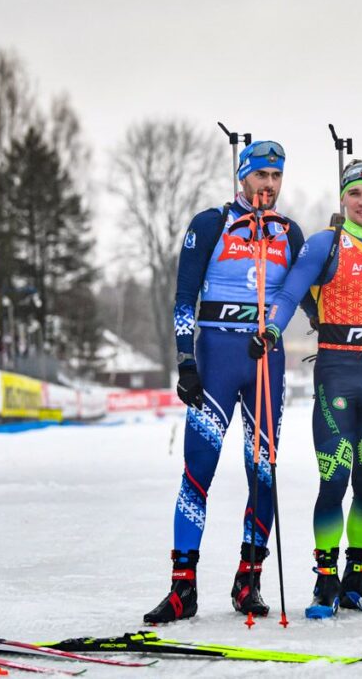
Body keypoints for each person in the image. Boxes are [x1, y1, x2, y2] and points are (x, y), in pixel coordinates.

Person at [144, 140, 306, 624]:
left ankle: (248, 580)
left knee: (263, 473)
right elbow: (183, 297)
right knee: (198, 472)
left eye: (276, 177)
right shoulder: (210, 223)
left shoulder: (288, 232)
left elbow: (308, 296)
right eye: (261, 176)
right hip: (215, 361)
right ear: (243, 177)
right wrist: (185, 360)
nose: (269, 185)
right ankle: (182, 588)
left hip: (264, 362)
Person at [250, 159, 362, 618]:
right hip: (338, 375)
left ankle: (356, 580)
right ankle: (325, 581)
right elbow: (287, 293)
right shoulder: (326, 243)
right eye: (355, 193)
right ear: (343, 197)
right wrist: (271, 329)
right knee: (335, 477)